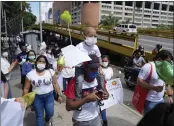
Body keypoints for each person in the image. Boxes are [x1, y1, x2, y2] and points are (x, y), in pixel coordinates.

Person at [65, 54, 109, 126]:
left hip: (96, 117)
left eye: (96, 68)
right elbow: (68, 107)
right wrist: (87, 99)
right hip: (81, 121)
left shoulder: (99, 79)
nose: (95, 71)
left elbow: (106, 92)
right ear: (85, 67)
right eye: (92, 68)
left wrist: (106, 95)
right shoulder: (75, 82)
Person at [23, 55, 62, 126]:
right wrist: (25, 101)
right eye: (39, 61)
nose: (41, 63)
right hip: (37, 98)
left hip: (49, 97)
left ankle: (47, 120)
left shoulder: (50, 72)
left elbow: (56, 83)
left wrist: (59, 95)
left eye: (43, 62)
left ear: (46, 63)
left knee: (50, 113)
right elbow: (26, 88)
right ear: (36, 62)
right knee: (39, 117)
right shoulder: (30, 74)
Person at [75, 27, 105, 110]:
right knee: (79, 80)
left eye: (95, 36)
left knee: (101, 76)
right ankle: (78, 100)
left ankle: (100, 94)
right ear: (84, 36)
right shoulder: (79, 46)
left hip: (94, 67)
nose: (93, 38)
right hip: (81, 67)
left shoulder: (95, 47)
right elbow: (75, 58)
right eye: (91, 35)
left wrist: (101, 68)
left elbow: (99, 58)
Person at [137, 50, 173, 115]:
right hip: (149, 102)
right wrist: (154, 88)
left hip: (161, 101)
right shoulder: (148, 66)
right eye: (167, 62)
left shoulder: (164, 69)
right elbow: (139, 81)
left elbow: (167, 83)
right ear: (159, 59)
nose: (169, 65)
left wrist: (170, 96)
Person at [100, 55, 114, 126]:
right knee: (102, 105)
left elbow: (111, 80)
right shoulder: (99, 69)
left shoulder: (110, 69)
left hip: (108, 90)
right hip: (101, 89)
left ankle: (103, 120)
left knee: (104, 105)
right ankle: (104, 120)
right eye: (103, 61)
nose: (104, 62)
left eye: (106, 61)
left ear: (108, 61)